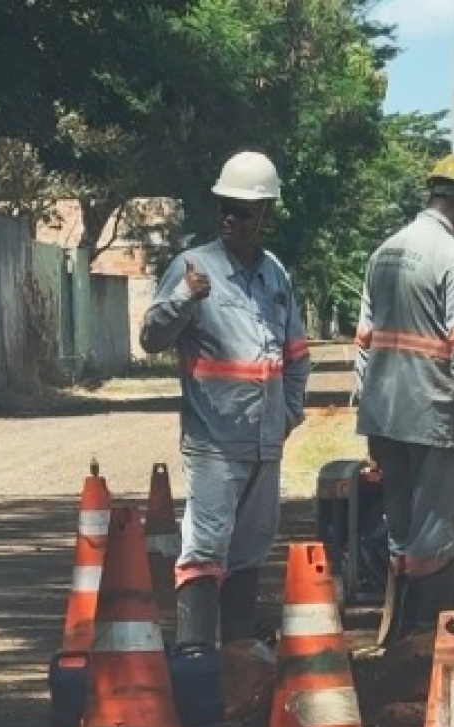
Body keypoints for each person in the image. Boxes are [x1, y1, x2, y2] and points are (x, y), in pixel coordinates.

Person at [139, 150, 311, 655]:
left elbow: (296, 354)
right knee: (206, 547)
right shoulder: (192, 268)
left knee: (251, 548)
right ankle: (195, 657)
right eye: (225, 207)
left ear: (265, 215)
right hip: (214, 442)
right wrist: (183, 299)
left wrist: (288, 414)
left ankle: (238, 660)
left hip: (264, 442)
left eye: (244, 210)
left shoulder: (275, 274)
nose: (231, 218)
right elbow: (150, 337)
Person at [354, 153, 454, 643]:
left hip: (385, 417)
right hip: (435, 419)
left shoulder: (385, 252)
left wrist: (370, 416)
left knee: (402, 539)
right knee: (437, 541)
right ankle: (431, 648)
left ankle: (400, 645)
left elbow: (363, 344)